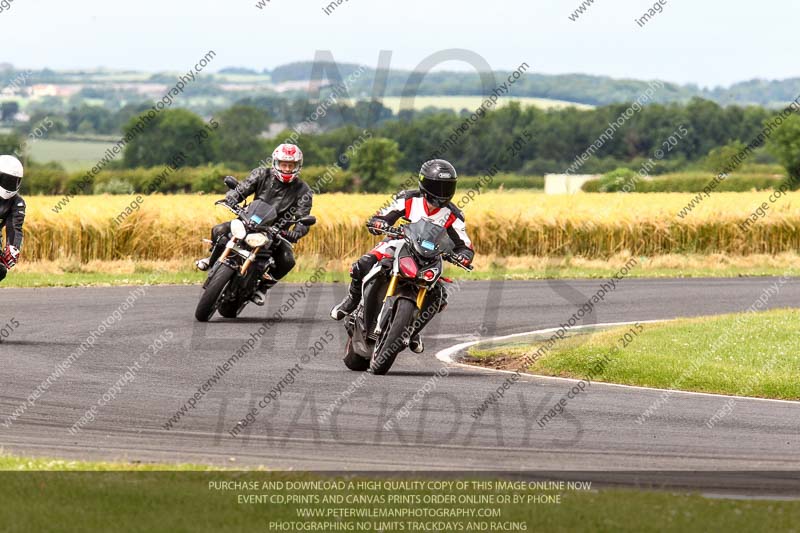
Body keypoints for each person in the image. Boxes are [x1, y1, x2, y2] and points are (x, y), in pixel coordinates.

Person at [330, 159, 474, 353]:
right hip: (398, 244)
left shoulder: (454, 214)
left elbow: (464, 244)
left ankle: (413, 330)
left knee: (439, 295)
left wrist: (463, 255)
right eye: (437, 186)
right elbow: (384, 215)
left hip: (429, 257)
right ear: (425, 184)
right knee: (362, 264)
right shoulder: (407, 198)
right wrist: (379, 222)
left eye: (447, 186)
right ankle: (352, 300)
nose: (441, 192)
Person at [196, 143, 313, 305]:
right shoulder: (261, 174)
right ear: (275, 163)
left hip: (276, 231)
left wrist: (297, 231)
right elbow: (243, 188)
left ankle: (262, 288)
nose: (286, 168)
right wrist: (233, 197)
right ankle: (212, 259)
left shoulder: (303, 190)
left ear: (297, 166)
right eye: (283, 164)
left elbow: (303, 216)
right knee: (219, 230)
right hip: (249, 219)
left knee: (287, 260)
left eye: (290, 165)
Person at [0, 155, 25, 284]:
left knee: (0, 270)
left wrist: (13, 247)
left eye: (14, 181)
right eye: (7, 180)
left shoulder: (17, 202)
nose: (10, 184)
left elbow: (15, 226)